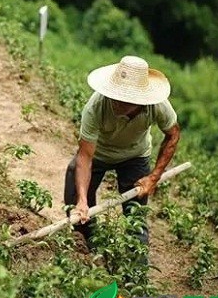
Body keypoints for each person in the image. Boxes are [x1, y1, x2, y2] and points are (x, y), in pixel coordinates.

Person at [65, 55, 180, 252]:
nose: (117, 103)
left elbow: (173, 135)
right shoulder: (96, 107)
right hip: (99, 153)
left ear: (141, 100)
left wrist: (153, 177)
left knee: (136, 215)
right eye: (115, 96)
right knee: (75, 199)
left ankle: (135, 272)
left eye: (125, 100)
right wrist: (82, 200)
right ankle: (90, 248)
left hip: (135, 156)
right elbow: (85, 156)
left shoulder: (158, 106)